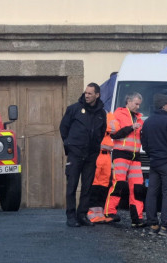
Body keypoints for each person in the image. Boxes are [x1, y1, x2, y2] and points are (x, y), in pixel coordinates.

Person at [60, 83, 106, 227]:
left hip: (91, 155)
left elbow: (101, 131)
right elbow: (63, 128)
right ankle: (71, 216)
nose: (87, 95)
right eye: (86, 93)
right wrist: (69, 145)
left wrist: (95, 147)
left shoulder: (101, 113)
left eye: (90, 93)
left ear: (97, 95)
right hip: (75, 154)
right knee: (72, 186)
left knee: (87, 187)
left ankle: (82, 215)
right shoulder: (74, 109)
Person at [142, 93, 167, 237]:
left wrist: (152, 154)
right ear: (164, 105)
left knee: (151, 193)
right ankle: (165, 226)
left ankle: (153, 224)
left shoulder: (148, 121)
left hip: (154, 162)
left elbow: (144, 143)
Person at [104, 93, 145, 226]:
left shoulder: (139, 119)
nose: (138, 107)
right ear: (128, 101)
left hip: (135, 156)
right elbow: (115, 134)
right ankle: (109, 213)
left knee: (138, 187)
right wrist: (131, 127)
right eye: (136, 103)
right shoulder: (118, 114)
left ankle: (137, 218)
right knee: (119, 183)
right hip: (121, 154)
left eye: (139, 104)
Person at [86, 110, 116, 224]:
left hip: (106, 155)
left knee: (103, 184)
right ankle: (91, 214)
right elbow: (109, 127)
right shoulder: (92, 115)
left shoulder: (107, 115)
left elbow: (114, 128)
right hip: (97, 154)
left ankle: (100, 214)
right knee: (93, 183)